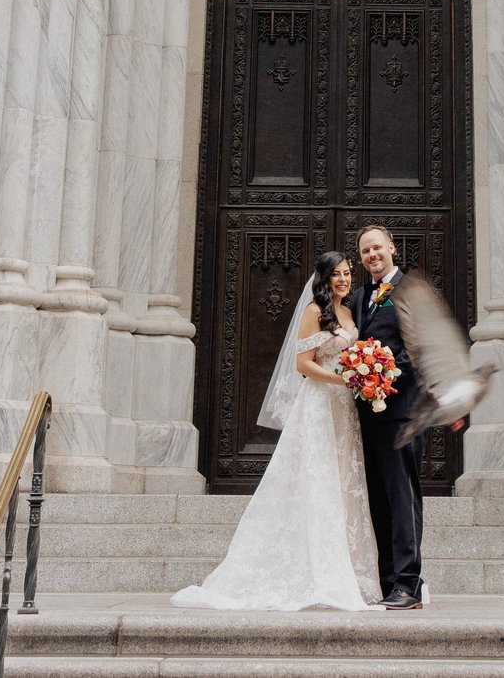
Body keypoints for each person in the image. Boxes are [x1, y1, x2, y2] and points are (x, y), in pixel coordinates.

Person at [172, 252, 379, 611]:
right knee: (317, 481)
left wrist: (359, 379)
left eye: (348, 273)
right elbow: (303, 366)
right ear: (324, 278)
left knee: (343, 481)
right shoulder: (315, 312)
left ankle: (348, 572)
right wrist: (347, 379)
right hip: (318, 404)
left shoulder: (348, 312)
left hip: (344, 410)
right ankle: (316, 574)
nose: (344, 279)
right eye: (337, 274)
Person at [350, 224, 427, 608]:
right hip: (367, 416)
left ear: (392, 248)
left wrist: (385, 370)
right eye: (365, 251)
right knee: (378, 499)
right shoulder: (359, 296)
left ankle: (409, 583)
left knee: (402, 497)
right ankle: (387, 582)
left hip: (402, 414)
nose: (371, 256)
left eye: (376, 247)